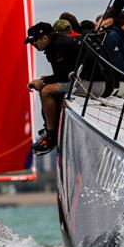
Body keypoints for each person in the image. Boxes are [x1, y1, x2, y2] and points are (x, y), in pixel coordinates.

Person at [25, 21, 79, 155]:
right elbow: (62, 75)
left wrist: (42, 82)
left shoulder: (59, 46)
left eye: (35, 41)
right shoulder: (55, 45)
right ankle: (50, 130)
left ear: (45, 38)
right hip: (78, 81)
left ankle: (51, 135)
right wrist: (43, 80)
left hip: (88, 85)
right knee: (46, 86)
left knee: (46, 90)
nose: (34, 45)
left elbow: (64, 76)